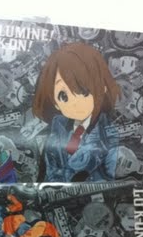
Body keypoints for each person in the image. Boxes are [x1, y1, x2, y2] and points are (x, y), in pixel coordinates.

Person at [32, 43, 121, 182]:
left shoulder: (108, 134)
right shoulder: (58, 126)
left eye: (83, 92)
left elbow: (109, 177)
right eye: (63, 96)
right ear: (55, 102)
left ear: (102, 89)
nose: (74, 102)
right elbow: (48, 167)